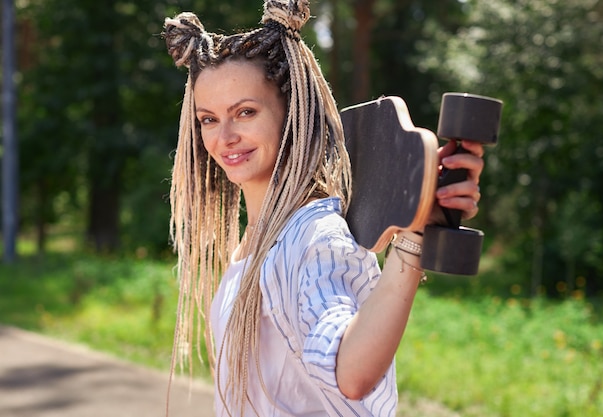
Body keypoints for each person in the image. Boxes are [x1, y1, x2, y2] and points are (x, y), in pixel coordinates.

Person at [162, 1, 484, 416]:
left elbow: (348, 372)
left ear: (291, 115)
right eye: (208, 119)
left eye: (245, 112)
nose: (225, 137)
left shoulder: (312, 235)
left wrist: (413, 240)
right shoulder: (258, 239)